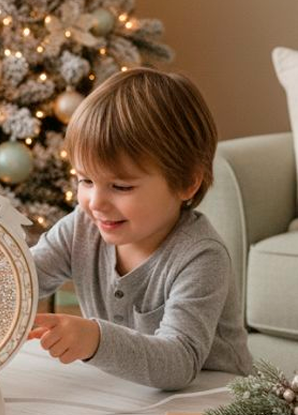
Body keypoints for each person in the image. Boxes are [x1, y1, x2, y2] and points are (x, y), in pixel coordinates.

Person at [28, 67, 252, 390]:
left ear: (187, 183)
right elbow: (23, 279)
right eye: (86, 180)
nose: (95, 202)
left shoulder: (201, 257)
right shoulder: (82, 226)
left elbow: (179, 362)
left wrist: (95, 339)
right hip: (132, 394)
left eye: (121, 186)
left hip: (217, 401)